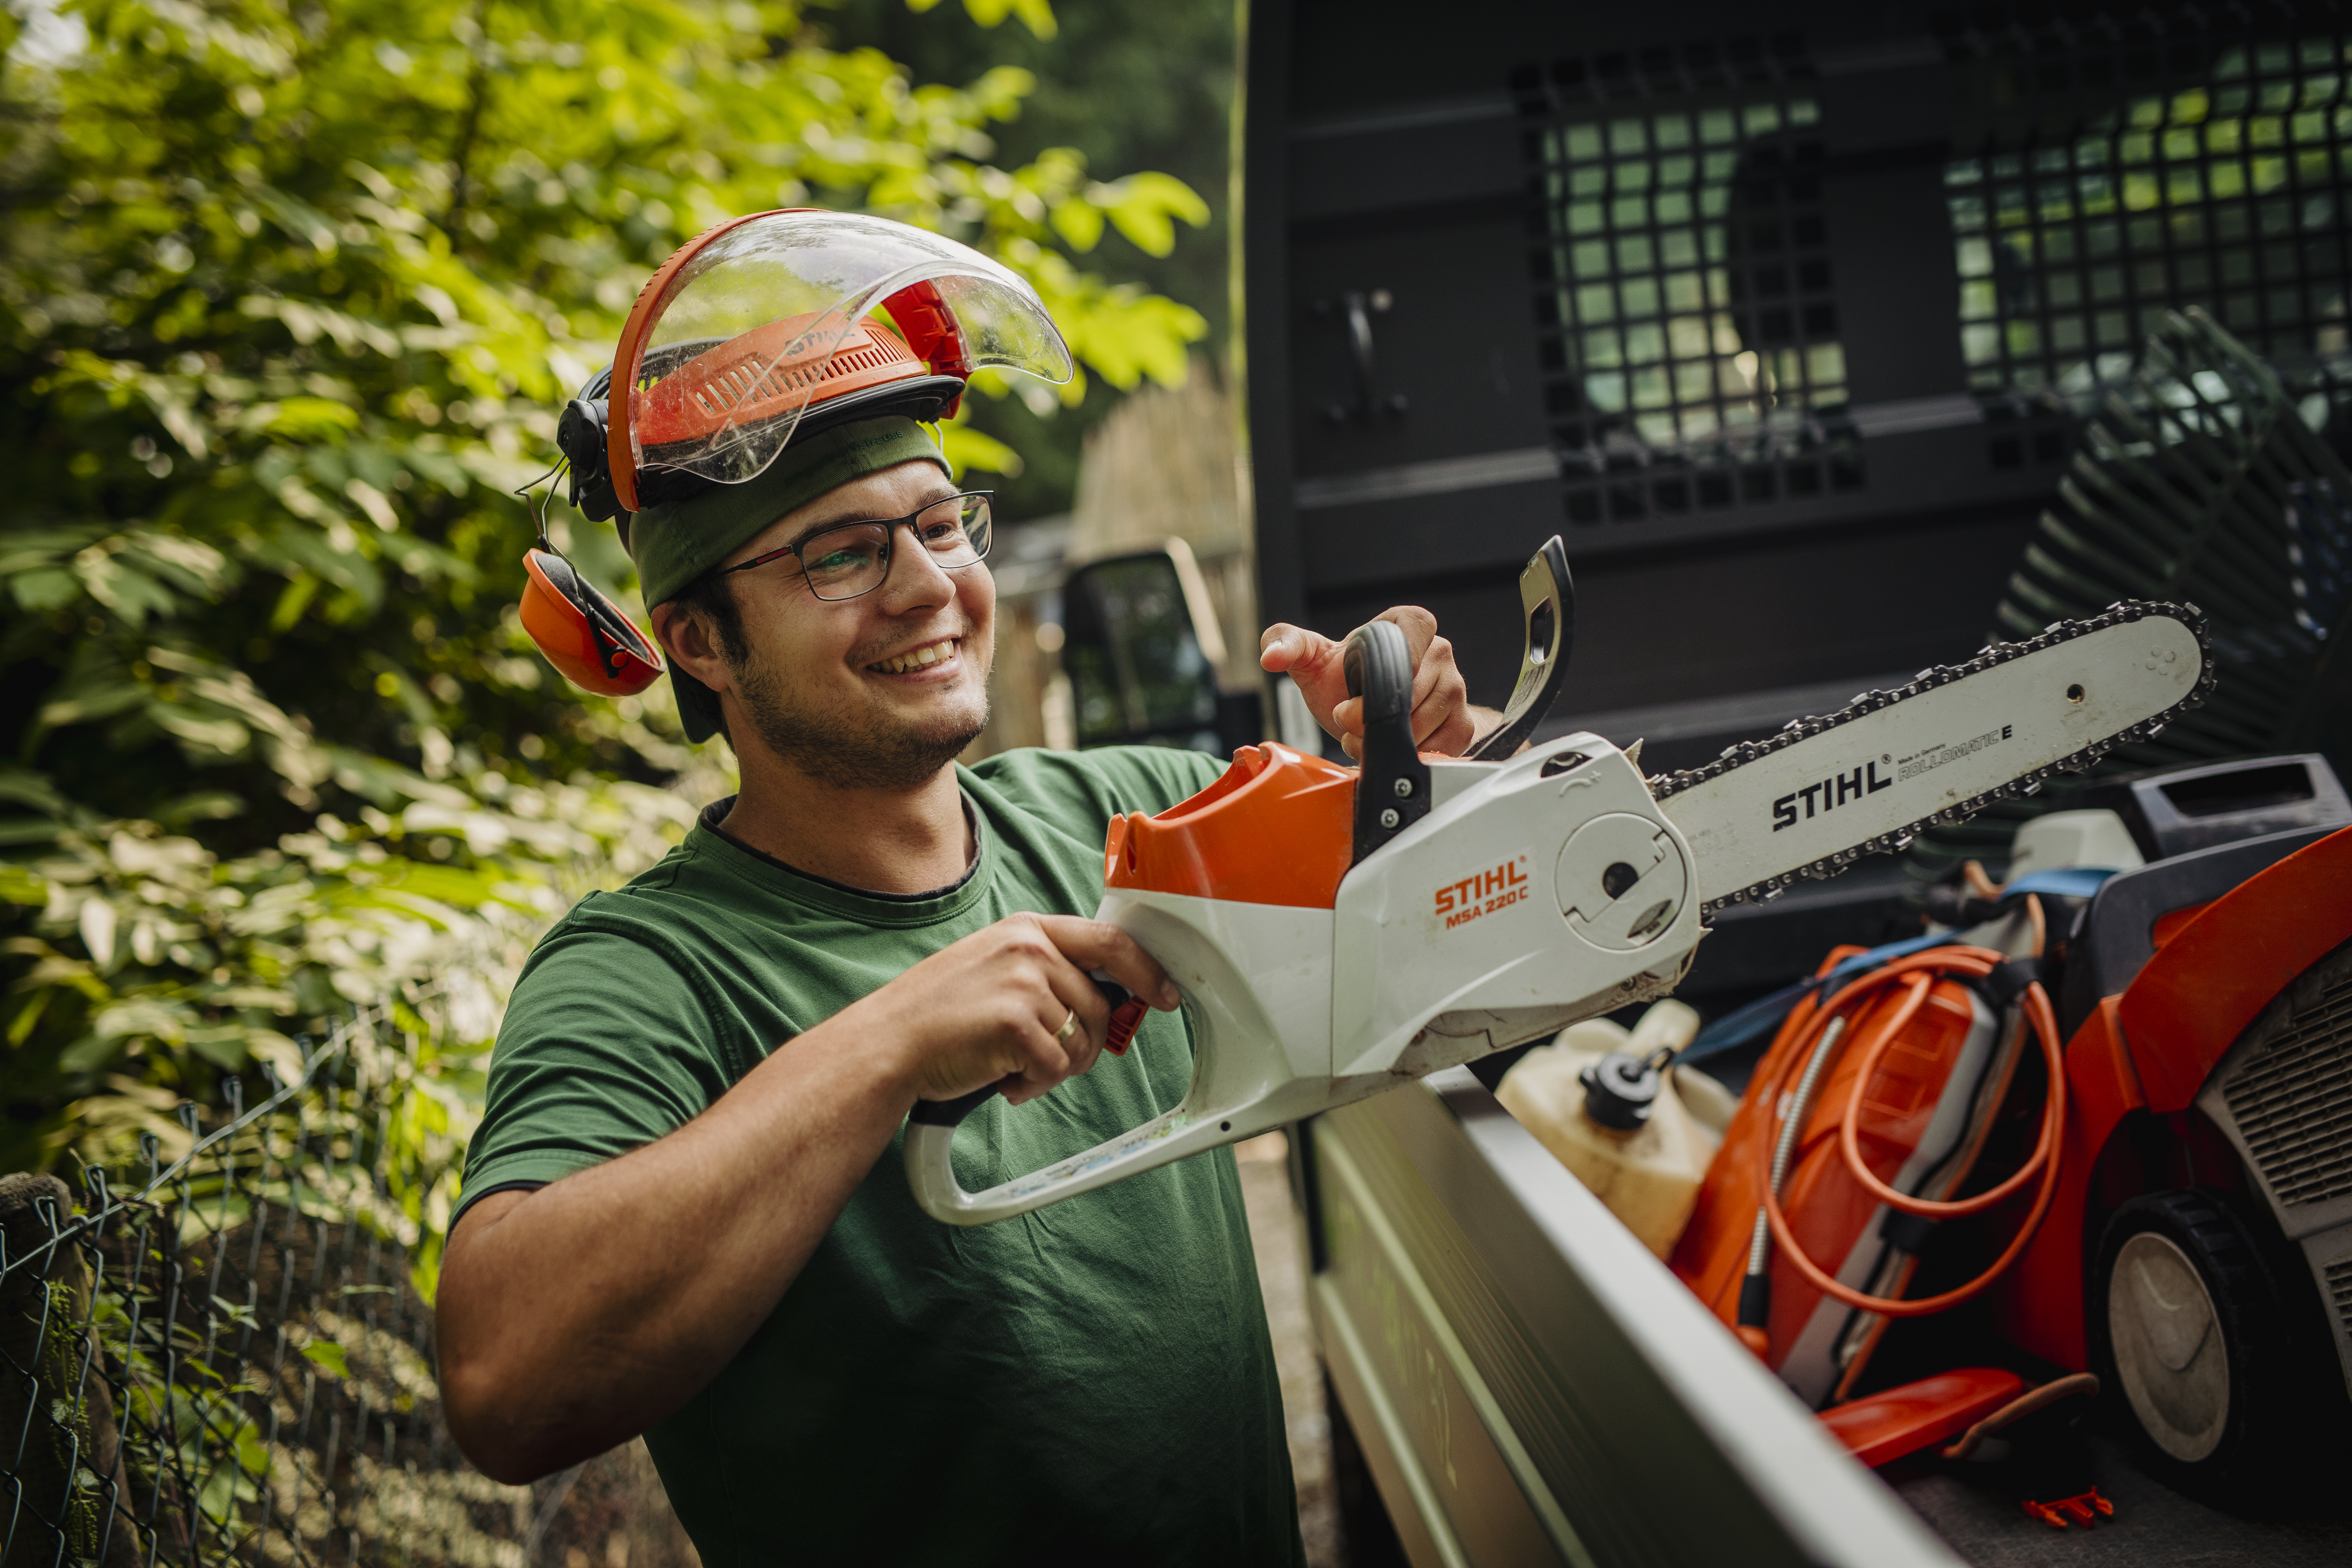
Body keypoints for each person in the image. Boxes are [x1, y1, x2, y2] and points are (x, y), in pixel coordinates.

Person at [434, 212, 1496, 1567]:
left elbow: (1462, 932)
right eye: (839, 552)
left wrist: (1421, 763)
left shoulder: (1117, 814)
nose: (929, 585)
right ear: (698, 640)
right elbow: (506, 1381)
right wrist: (884, 1042)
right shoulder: (647, 969)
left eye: (941, 523)